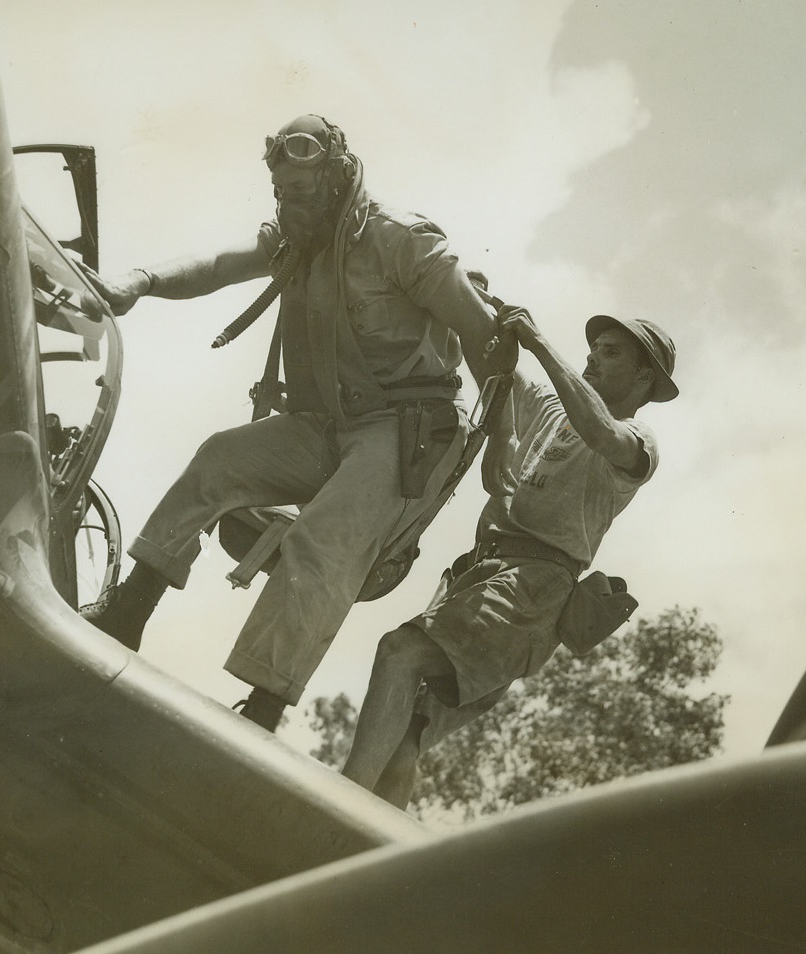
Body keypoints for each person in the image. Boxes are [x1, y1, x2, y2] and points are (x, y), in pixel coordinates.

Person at [79, 114, 503, 730]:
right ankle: (127, 615)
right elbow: (222, 263)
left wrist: (496, 447)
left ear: (335, 178)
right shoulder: (297, 237)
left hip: (407, 429)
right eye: (280, 192)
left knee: (320, 542)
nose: (288, 204)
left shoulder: (402, 241)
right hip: (327, 424)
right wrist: (139, 282)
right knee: (220, 457)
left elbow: (487, 337)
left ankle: (262, 708)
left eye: (300, 192)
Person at [341, 304, 678, 807]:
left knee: (401, 651)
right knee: (405, 735)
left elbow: (601, 434)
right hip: (483, 574)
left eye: (610, 353)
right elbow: (495, 363)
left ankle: (334, 802)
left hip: (532, 590)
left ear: (643, 376)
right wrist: (474, 302)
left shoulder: (636, 438)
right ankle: (360, 846)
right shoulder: (551, 406)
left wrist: (541, 343)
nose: (592, 360)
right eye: (591, 350)